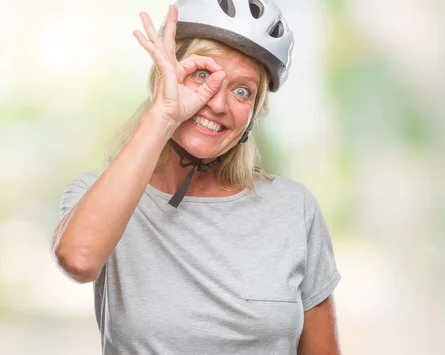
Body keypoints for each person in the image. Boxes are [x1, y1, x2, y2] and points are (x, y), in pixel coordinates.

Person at [50, 1, 342, 354]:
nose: (218, 103)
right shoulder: (98, 194)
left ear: (254, 113)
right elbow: (79, 260)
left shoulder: (294, 208)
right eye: (202, 74)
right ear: (164, 76)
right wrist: (164, 115)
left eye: (242, 91)